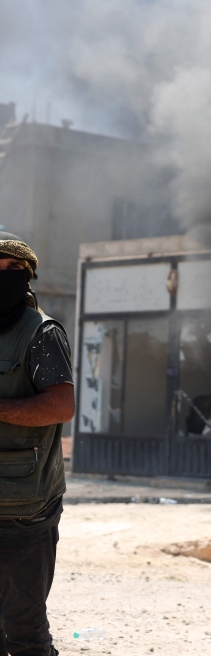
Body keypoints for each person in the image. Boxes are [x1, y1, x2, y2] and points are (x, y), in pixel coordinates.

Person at [0, 232, 75, 656]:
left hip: (23, 509)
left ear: (28, 277)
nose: (3, 276)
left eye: (13, 269)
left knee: (24, 632)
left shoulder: (41, 333)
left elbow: (60, 406)